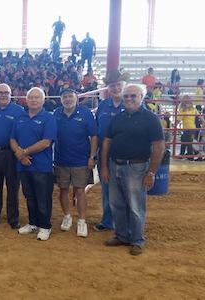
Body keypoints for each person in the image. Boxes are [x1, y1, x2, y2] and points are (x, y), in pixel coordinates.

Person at [100, 84, 164, 256]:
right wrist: (105, 166)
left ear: (141, 97)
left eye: (133, 96)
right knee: (116, 204)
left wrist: (151, 172)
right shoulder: (118, 117)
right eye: (126, 96)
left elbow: (159, 146)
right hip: (115, 166)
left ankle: (137, 240)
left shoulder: (151, 118)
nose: (128, 99)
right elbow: (107, 141)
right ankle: (121, 235)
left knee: (136, 206)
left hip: (137, 167)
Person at [10, 87, 57, 241]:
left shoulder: (48, 118)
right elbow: (12, 139)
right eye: (31, 97)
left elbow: (45, 142)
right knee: (29, 196)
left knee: (43, 198)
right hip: (23, 165)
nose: (34, 100)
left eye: (37, 97)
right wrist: (20, 155)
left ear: (43, 100)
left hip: (42, 166)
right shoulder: (20, 117)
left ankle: (45, 226)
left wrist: (24, 152)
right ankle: (33, 223)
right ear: (26, 99)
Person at [53, 89, 97, 237]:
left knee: (79, 191)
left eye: (70, 96)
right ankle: (67, 217)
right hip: (61, 159)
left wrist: (92, 156)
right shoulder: (56, 113)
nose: (67, 99)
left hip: (81, 160)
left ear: (76, 98)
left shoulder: (86, 113)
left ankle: (82, 221)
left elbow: (94, 136)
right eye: (64, 97)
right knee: (63, 190)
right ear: (61, 100)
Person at [0, 83, 25, 229]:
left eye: (6, 93)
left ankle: (13, 219)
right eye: (0, 93)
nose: (3, 95)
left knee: (13, 187)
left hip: (11, 154)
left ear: (10, 94)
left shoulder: (19, 110)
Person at [94, 69, 129, 232]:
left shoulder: (132, 103)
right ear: (108, 87)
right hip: (105, 154)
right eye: (112, 86)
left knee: (125, 188)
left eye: (118, 85)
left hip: (126, 154)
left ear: (124, 85)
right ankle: (108, 220)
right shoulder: (103, 106)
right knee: (107, 188)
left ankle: (125, 222)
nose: (115, 88)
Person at [177, 96, 199, 160]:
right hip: (190, 128)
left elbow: (178, 120)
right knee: (185, 141)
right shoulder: (192, 109)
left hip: (188, 128)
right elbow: (199, 116)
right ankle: (183, 154)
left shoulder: (184, 109)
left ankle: (189, 156)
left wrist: (175, 126)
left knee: (187, 142)